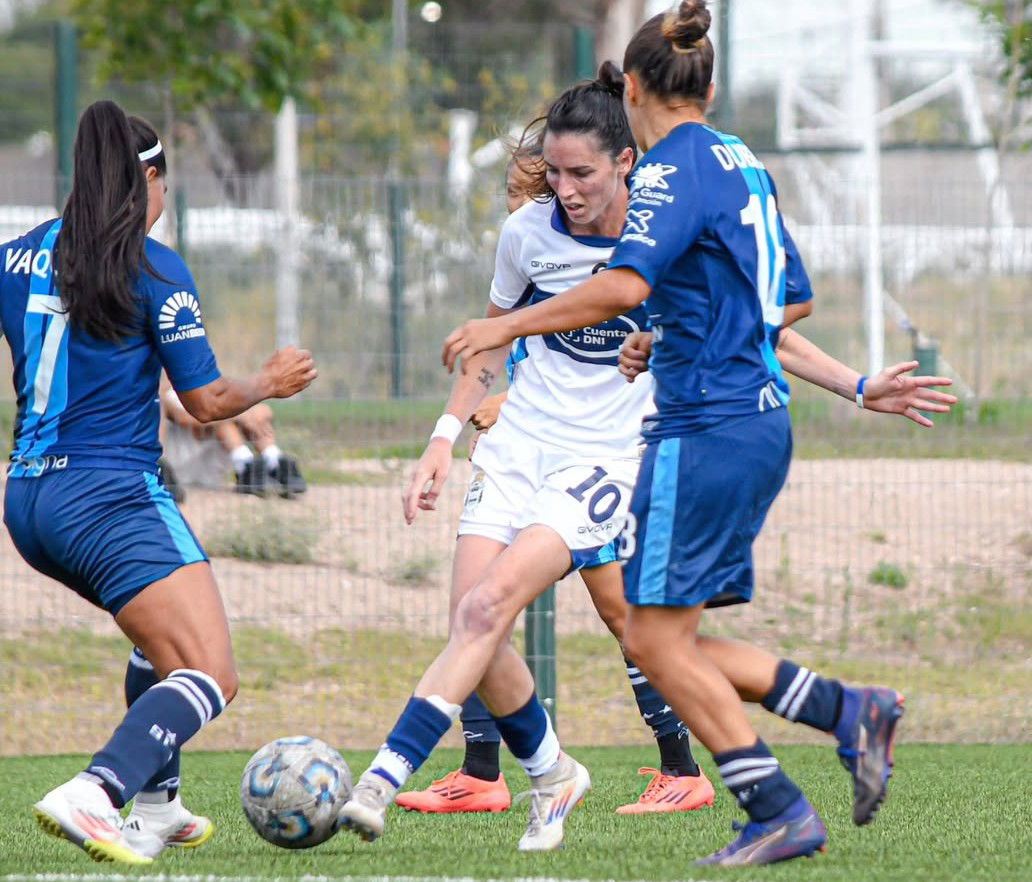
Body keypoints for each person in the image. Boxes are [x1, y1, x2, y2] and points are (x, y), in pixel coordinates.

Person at [439, 1, 956, 867]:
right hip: (749, 420)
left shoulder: (672, 171)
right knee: (662, 636)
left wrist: (507, 329)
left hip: (705, 425)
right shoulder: (743, 162)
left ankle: (777, 796)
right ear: (709, 86)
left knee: (650, 637)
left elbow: (623, 286)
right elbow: (783, 299)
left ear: (632, 88)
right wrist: (842, 380)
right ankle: (842, 717)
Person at [0, 100, 317, 864]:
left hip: (29, 501)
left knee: (158, 641)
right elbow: (209, 403)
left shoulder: (15, 255)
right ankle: (97, 791)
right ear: (149, 179)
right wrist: (268, 381)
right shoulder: (153, 267)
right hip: (111, 497)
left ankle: (158, 808)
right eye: (163, 186)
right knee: (211, 669)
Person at [397, 141, 721, 817]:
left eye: (553, 195)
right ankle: (483, 769)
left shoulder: (632, 254)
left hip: (603, 459)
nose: (545, 213)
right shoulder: (531, 253)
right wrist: (466, 424)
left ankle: (684, 766)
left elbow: (605, 357)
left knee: (620, 617)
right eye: (538, 196)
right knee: (484, 612)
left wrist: (507, 404)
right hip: (535, 458)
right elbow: (522, 356)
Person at [161, 385, 307, 498]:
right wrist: (240, 414)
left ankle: (274, 460)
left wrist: (250, 413)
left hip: (208, 470)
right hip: (180, 470)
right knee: (222, 418)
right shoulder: (168, 395)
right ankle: (246, 465)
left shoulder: (212, 389)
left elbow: (263, 411)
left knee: (242, 416)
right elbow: (188, 418)